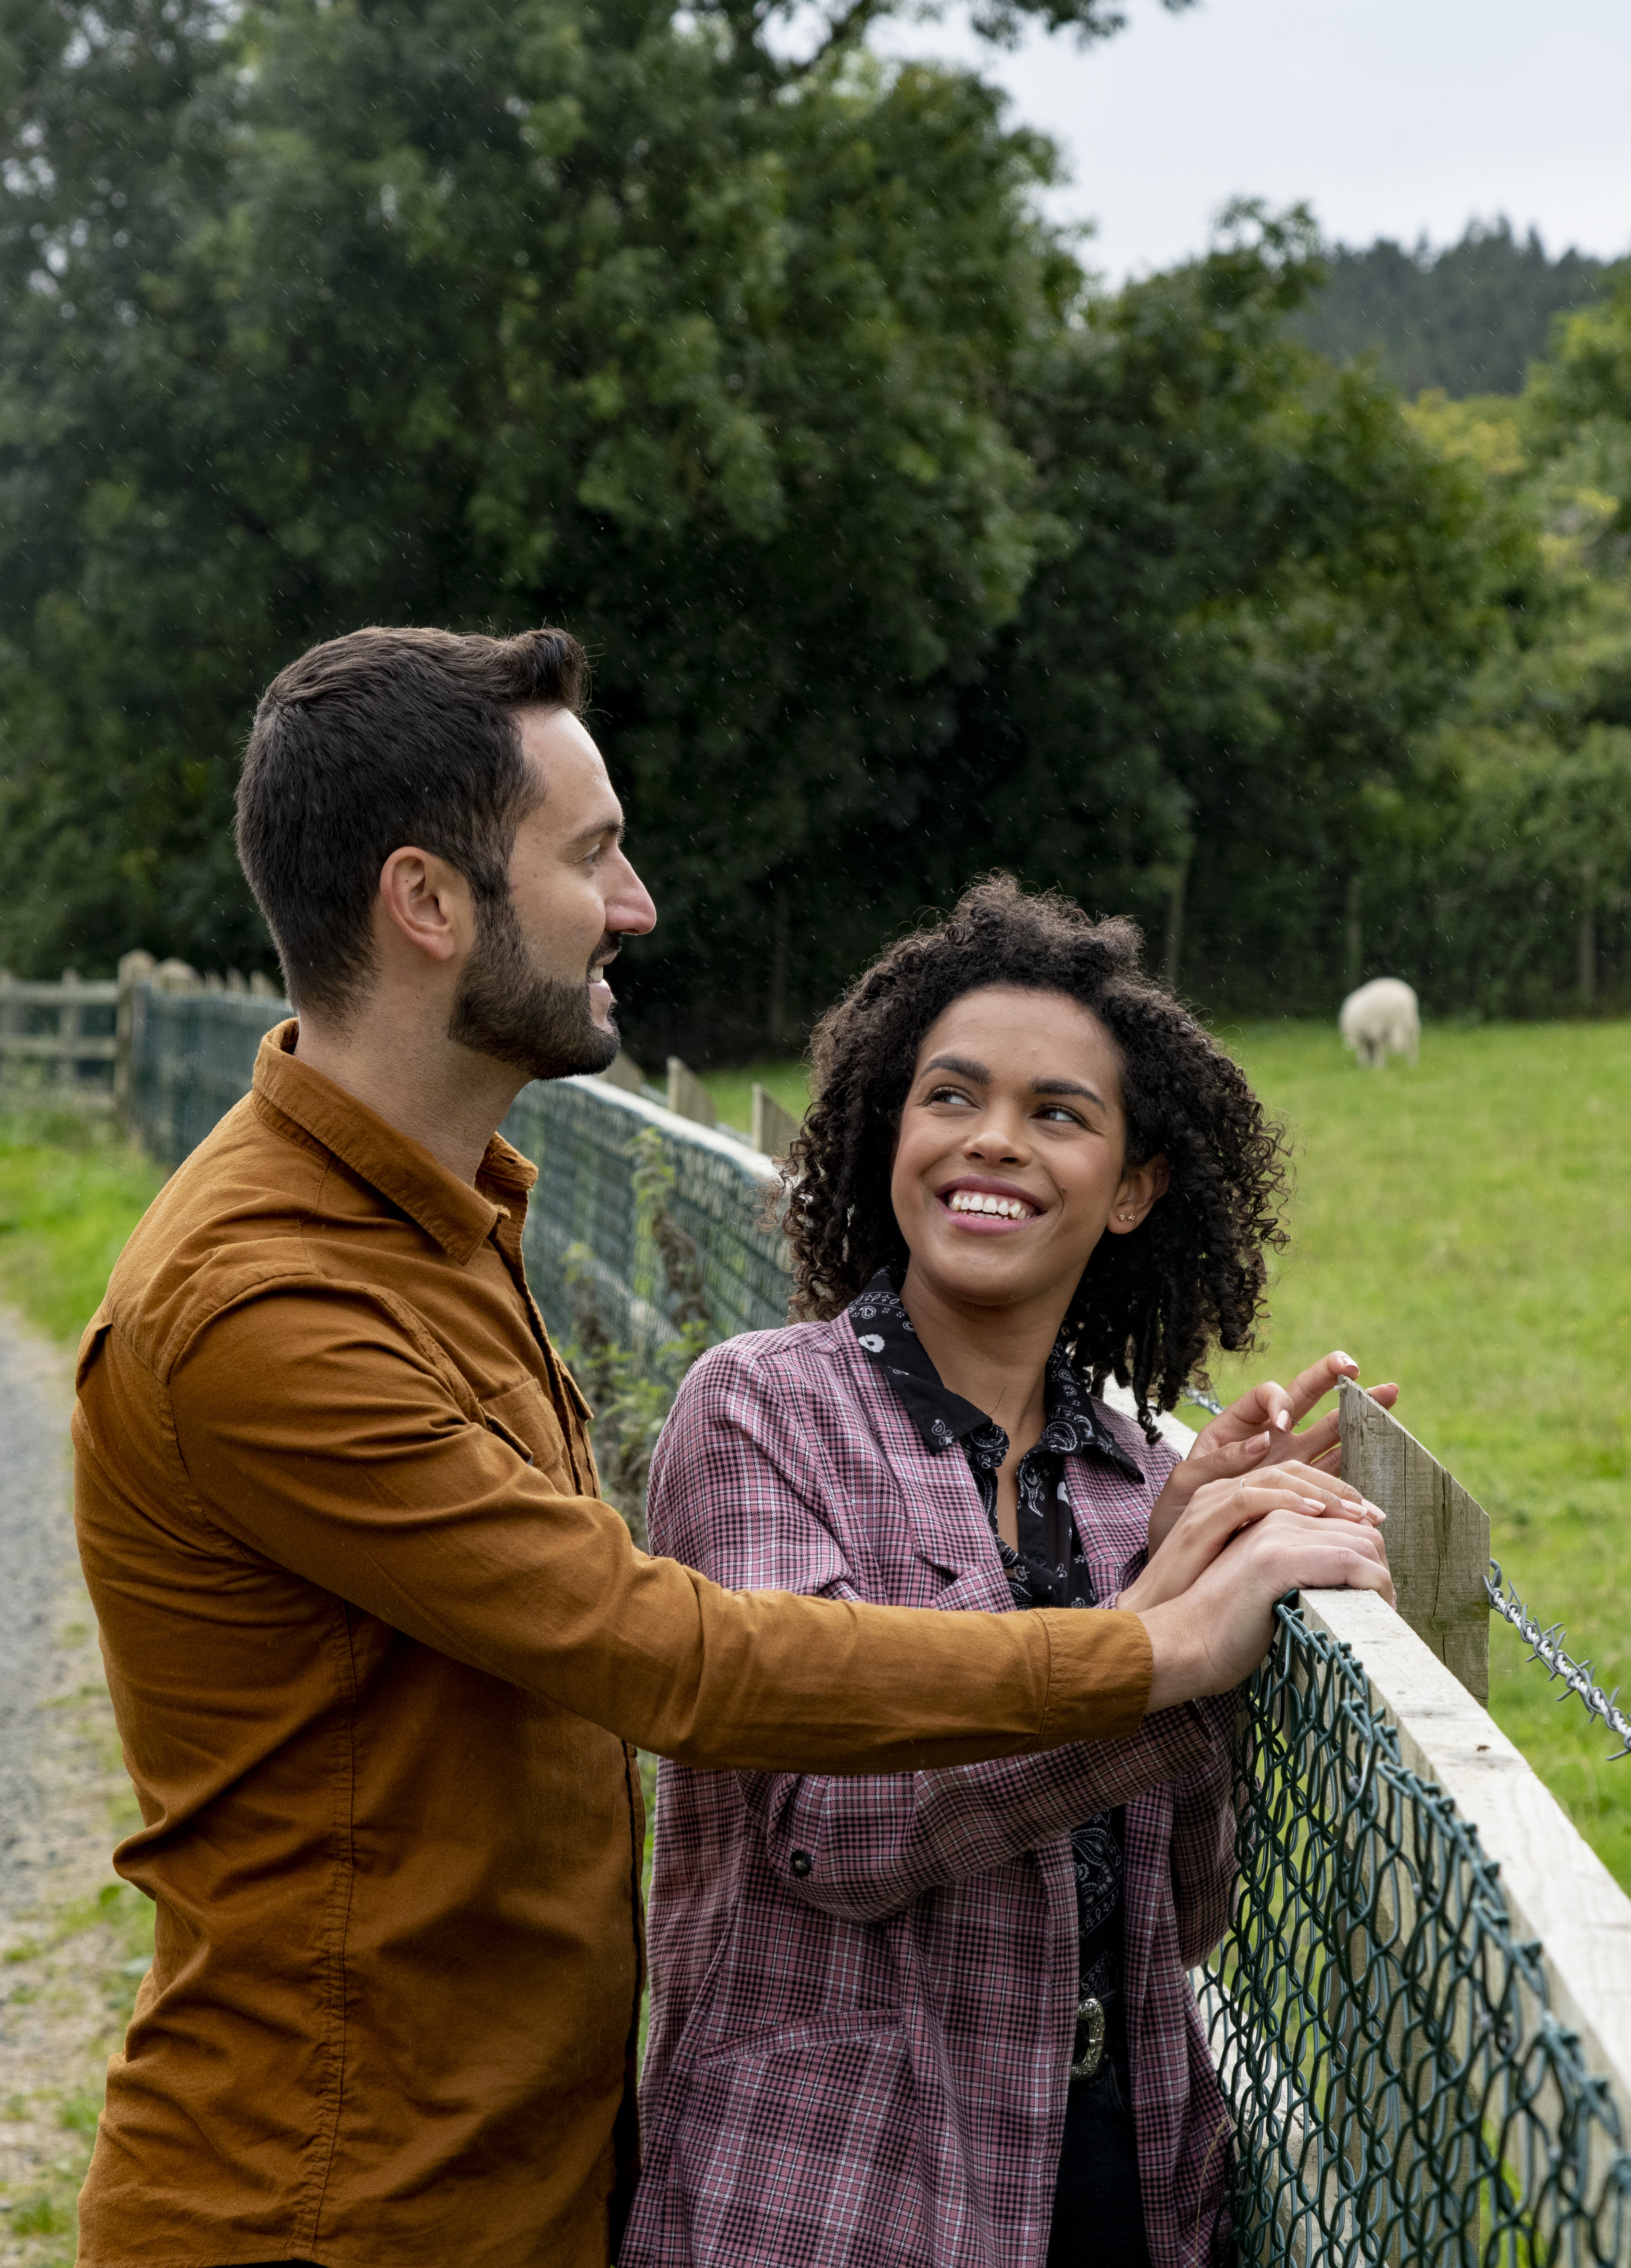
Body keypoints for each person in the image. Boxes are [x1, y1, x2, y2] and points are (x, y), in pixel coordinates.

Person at [68, 626, 1394, 2268]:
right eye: (592, 854)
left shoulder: (434, 1225)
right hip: (329, 2204)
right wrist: (1149, 1646)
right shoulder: (266, 1304)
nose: (631, 905)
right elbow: (667, 1656)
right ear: (428, 903)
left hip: (505, 2170)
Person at [627, 878, 1393, 2268]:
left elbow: (1189, 1910)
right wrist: (1157, 1640)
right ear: (887, 1135)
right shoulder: (760, 1413)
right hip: (829, 2194)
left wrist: (1194, 1562)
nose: (995, 1142)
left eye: (1059, 1113)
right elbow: (833, 1832)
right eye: (952, 1098)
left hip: (1120, 2182)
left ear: (1134, 1188)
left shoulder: (1125, 1491)